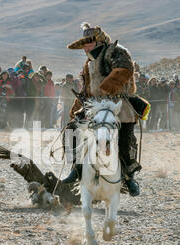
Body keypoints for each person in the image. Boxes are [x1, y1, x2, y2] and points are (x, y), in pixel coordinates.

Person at [62, 22, 149, 196]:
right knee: (71, 130)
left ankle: (128, 177)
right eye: (84, 43)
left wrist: (104, 90)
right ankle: (77, 168)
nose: (85, 47)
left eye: (88, 42)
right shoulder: (89, 62)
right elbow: (87, 88)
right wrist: (78, 106)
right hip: (94, 106)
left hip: (119, 104)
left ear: (98, 41)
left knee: (124, 140)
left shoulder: (115, 51)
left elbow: (124, 70)